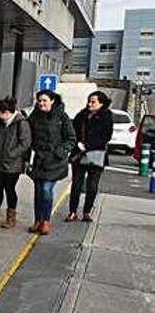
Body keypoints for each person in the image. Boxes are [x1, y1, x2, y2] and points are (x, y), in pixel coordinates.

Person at [28, 89, 75, 235]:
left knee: (46, 190)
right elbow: (28, 136)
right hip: (39, 160)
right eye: (39, 100)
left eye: (44, 100)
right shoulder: (34, 116)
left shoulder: (61, 116)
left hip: (55, 161)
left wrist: (61, 152)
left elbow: (71, 138)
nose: (41, 103)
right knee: (38, 192)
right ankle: (37, 221)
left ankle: (46, 221)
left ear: (52, 101)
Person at [0, 97, 32, 229]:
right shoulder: (1, 122)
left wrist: (10, 154)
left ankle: (11, 217)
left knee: (9, 189)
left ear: (6, 112)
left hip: (13, 164)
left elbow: (25, 143)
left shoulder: (22, 123)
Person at [67, 91, 113, 222]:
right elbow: (72, 131)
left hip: (96, 154)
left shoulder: (106, 116)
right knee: (76, 185)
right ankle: (72, 212)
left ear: (101, 103)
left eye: (93, 102)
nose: (89, 104)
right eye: (89, 101)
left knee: (92, 186)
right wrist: (77, 144)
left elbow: (106, 136)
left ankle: (87, 212)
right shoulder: (81, 115)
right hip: (79, 155)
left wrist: (88, 146)